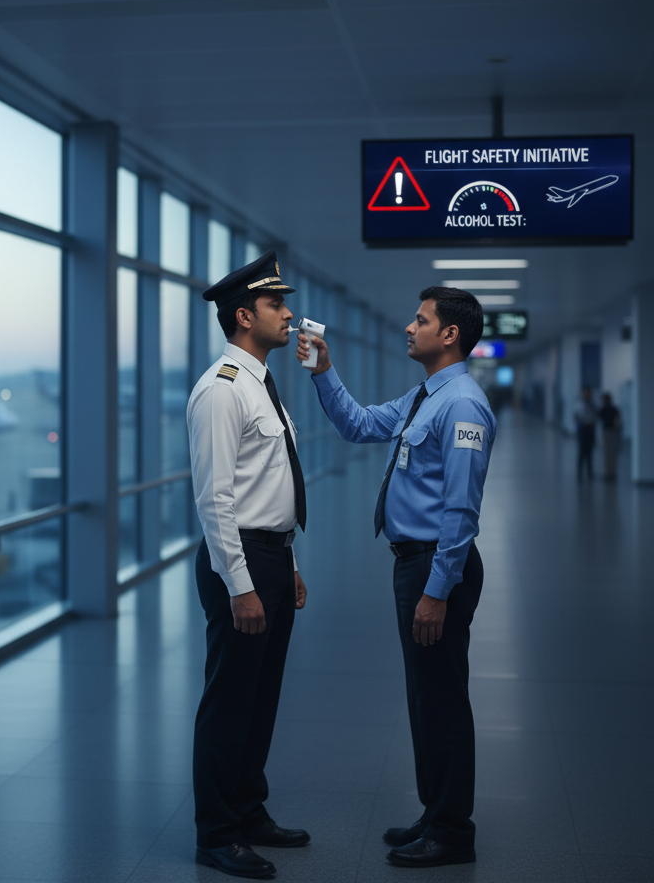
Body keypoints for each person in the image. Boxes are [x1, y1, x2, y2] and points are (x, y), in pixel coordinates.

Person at [296, 286, 494, 869]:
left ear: (450, 333)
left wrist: (437, 591)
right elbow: (358, 425)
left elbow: (461, 510)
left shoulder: (461, 405)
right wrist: (324, 373)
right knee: (423, 698)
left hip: (437, 566)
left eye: (421, 319)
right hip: (415, 562)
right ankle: (435, 814)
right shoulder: (425, 397)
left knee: (442, 701)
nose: (410, 328)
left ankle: (453, 830)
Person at [188, 249, 310, 880]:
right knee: (230, 699)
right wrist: (241, 585)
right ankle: (217, 832)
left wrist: (284, 563)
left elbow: (267, 486)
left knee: (261, 697)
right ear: (244, 315)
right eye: (275, 305)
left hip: (270, 556)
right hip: (237, 564)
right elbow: (215, 500)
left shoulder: (263, 384)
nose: (288, 315)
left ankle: (249, 809)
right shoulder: (222, 390)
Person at [574, 388, 597, 481]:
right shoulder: (579, 404)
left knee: (589, 452)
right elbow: (576, 416)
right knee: (581, 452)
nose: (586, 395)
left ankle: (589, 472)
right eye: (585, 393)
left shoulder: (592, 405)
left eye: (588, 393)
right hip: (582, 430)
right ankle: (579, 472)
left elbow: (595, 416)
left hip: (590, 430)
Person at [598, 392, 622, 480]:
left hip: (608, 431)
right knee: (611, 454)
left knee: (608, 453)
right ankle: (611, 472)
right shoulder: (613, 409)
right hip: (612, 431)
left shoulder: (606, 409)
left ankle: (609, 472)